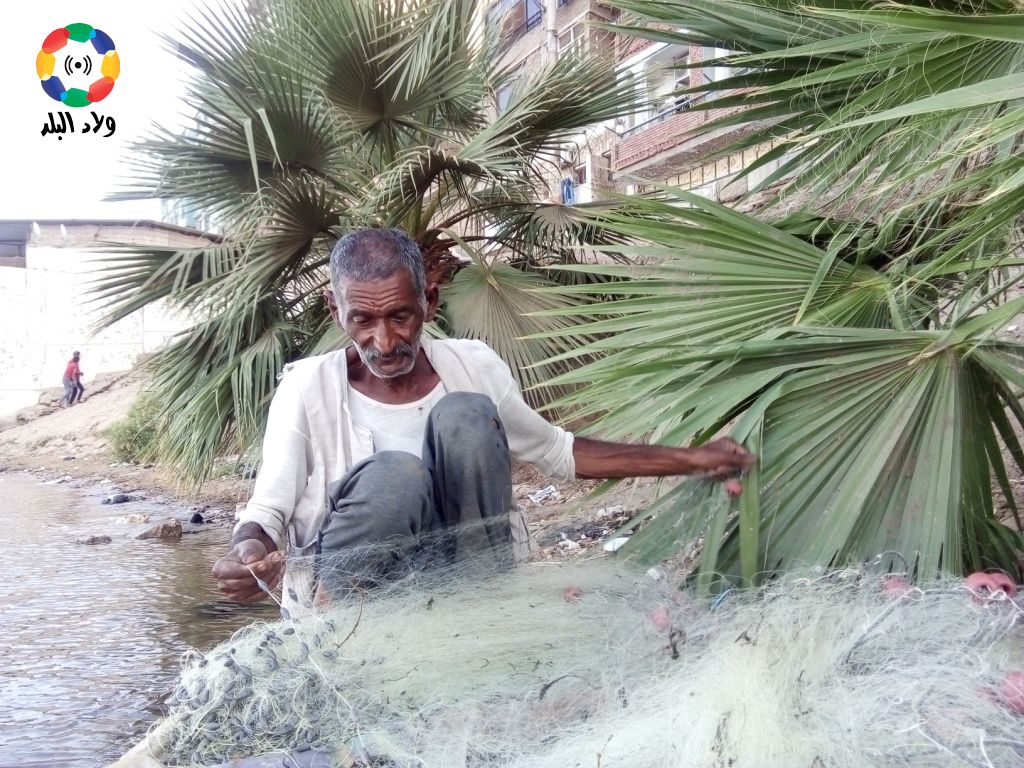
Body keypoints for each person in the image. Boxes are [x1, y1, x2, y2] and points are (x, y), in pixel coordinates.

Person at [213, 228, 753, 613]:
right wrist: (249, 554)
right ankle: (344, 630)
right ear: (336, 312)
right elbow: (266, 512)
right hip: (353, 596)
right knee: (394, 475)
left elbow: (559, 451)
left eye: (401, 316)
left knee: (468, 416)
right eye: (364, 320)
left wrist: (693, 458)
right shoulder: (307, 387)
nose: (385, 340)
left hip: (462, 578)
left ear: (429, 299)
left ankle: (478, 610)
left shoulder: (472, 366)